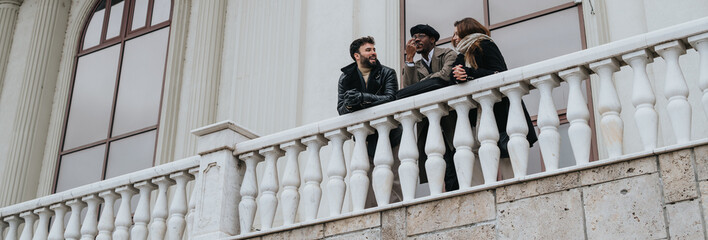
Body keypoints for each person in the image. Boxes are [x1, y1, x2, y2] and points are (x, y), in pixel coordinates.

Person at [450, 17, 538, 179]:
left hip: (497, 111)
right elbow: (454, 75)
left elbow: (499, 73)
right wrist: (458, 76)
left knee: (506, 153)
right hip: (475, 114)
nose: (454, 38)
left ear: (466, 31)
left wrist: (469, 74)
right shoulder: (461, 53)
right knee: (474, 154)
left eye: (456, 33)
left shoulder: (485, 45)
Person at [337, 36, 402, 205]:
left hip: (390, 136)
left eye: (374, 49)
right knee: (364, 183)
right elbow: (341, 109)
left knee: (392, 179)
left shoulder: (388, 72)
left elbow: (391, 99)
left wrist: (362, 97)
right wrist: (350, 105)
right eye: (368, 50)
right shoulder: (345, 78)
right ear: (356, 55)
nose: (373, 53)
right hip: (363, 140)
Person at [400, 24, 460, 192]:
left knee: (458, 162)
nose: (416, 39)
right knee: (441, 168)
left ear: (432, 40)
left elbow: (445, 76)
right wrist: (409, 61)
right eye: (414, 37)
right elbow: (408, 90)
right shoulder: (415, 65)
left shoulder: (448, 53)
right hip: (429, 125)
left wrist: (422, 85)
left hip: (451, 120)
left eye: (421, 36)